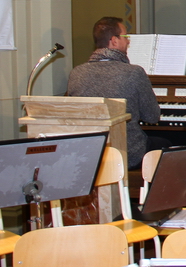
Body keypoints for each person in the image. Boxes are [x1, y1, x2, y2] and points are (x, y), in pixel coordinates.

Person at [67, 17, 162, 170]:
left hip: (91, 151)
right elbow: (152, 116)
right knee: (168, 144)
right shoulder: (133, 72)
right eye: (125, 36)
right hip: (128, 152)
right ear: (114, 41)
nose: (128, 41)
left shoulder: (76, 72)